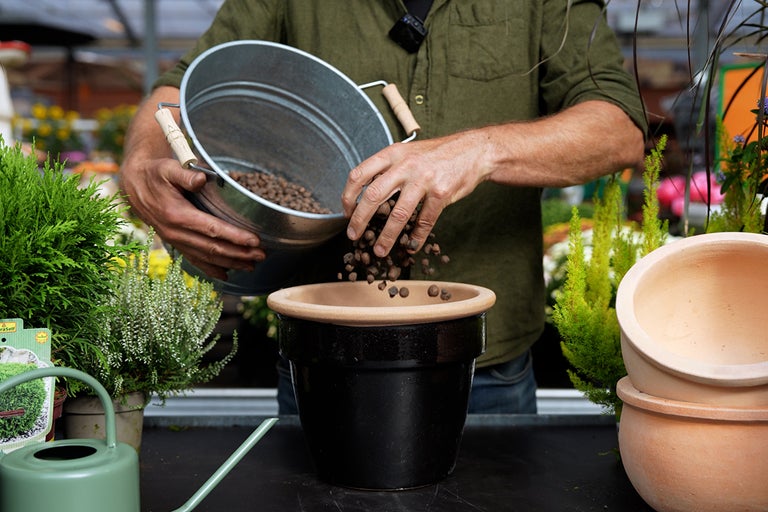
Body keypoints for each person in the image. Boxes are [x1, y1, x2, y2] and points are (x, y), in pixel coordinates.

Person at [120, 0, 647, 415]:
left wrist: (480, 149)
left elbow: (618, 127)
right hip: (321, 354)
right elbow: (179, 87)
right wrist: (142, 161)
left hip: (483, 365)